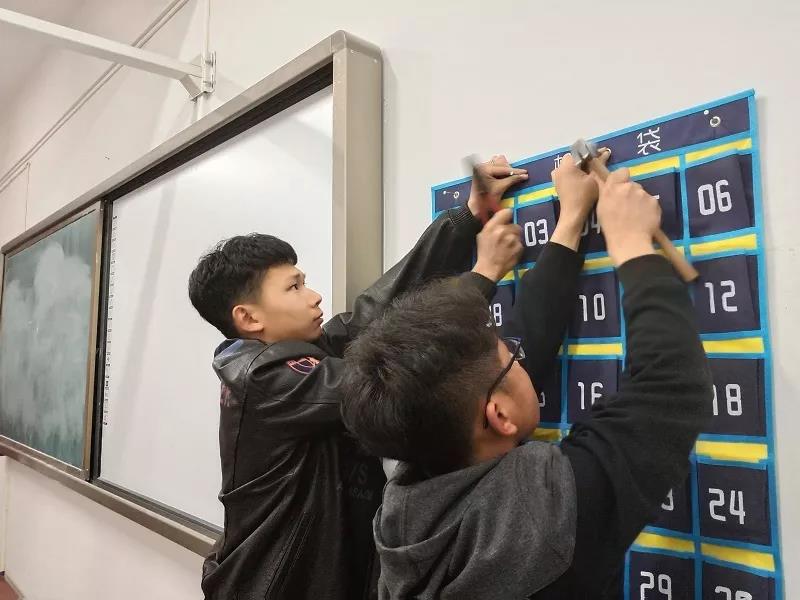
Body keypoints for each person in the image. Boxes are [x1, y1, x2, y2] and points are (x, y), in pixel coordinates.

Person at [340, 159, 713, 599]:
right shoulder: (540, 518)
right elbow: (671, 382)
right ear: (498, 415)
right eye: (511, 358)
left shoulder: (405, 503)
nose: (520, 357)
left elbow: (512, 354)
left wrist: (570, 220)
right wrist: (631, 243)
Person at [187, 156, 528, 599]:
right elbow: (390, 377)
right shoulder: (265, 378)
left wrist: (464, 218)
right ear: (249, 318)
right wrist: (482, 276)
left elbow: (377, 307)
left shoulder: (305, 355)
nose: (314, 296)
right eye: (294, 287)